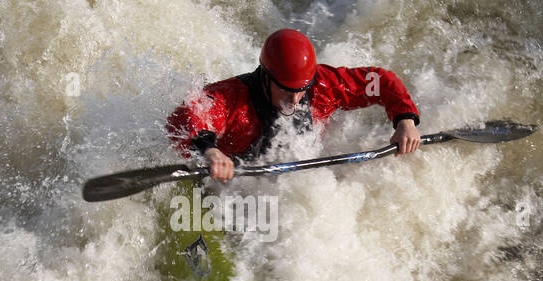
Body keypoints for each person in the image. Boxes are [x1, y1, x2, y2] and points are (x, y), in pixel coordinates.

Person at [166, 29, 422, 181]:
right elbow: (185, 116)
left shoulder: (323, 85)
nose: (295, 99)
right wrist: (209, 151)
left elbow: (382, 82)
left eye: (301, 90)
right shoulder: (232, 98)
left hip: (298, 181)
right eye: (287, 90)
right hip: (231, 179)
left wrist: (405, 121)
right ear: (266, 77)